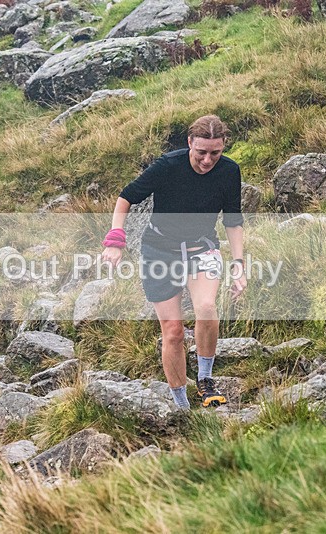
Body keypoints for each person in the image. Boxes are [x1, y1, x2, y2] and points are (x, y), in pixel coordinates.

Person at [101, 115, 246, 410]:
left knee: (207, 307)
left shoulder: (229, 171)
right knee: (173, 332)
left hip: (201, 249)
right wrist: (116, 240)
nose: (207, 160)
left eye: (215, 153)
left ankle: (205, 380)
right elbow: (126, 198)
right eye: (201, 152)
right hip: (160, 251)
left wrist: (239, 263)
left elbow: (232, 219)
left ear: (223, 146)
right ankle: (182, 406)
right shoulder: (168, 165)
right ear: (190, 142)